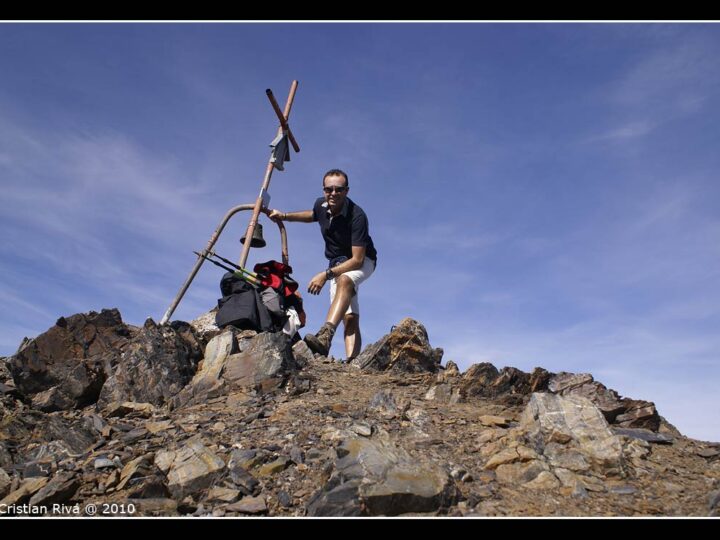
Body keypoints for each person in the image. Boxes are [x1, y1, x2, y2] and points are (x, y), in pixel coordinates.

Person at [268, 168, 377, 361]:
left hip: (362, 260)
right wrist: (284, 216)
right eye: (329, 189)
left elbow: (357, 260)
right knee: (349, 316)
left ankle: (326, 335)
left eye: (338, 189)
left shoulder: (357, 216)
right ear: (324, 190)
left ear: (346, 191)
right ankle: (353, 363)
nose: (333, 193)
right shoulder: (321, 205)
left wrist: (325, 275)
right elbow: (312, 215)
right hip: (337, 262)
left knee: (344, 280)